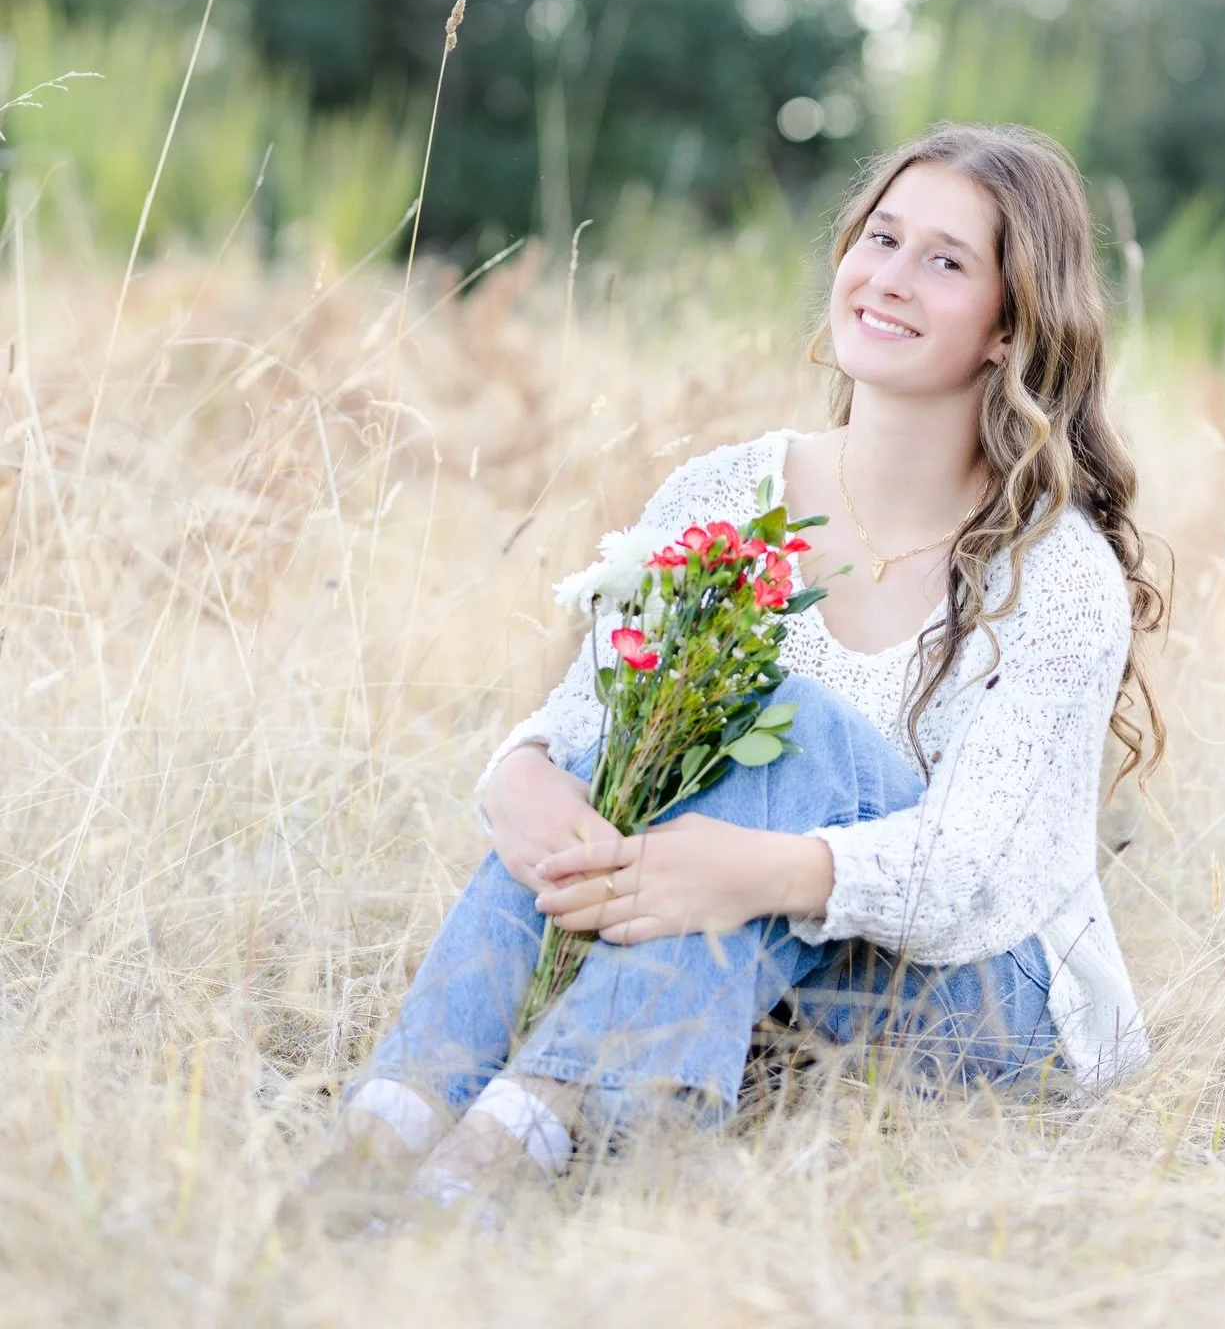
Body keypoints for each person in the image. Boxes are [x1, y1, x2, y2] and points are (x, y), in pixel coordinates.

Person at [329, 121, 1166, 1215]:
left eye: (946, 261)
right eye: (881, 238)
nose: (889, 279)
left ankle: (503, 1157)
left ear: (1011, 328)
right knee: (597, 796)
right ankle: (383, 1137)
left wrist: (758, 872)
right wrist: (523, 775)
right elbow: (595, 720)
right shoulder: (724, 494)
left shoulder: (1055, 574)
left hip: (990, 1017)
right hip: (774, 984)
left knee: (793, 728)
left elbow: (971, 883)